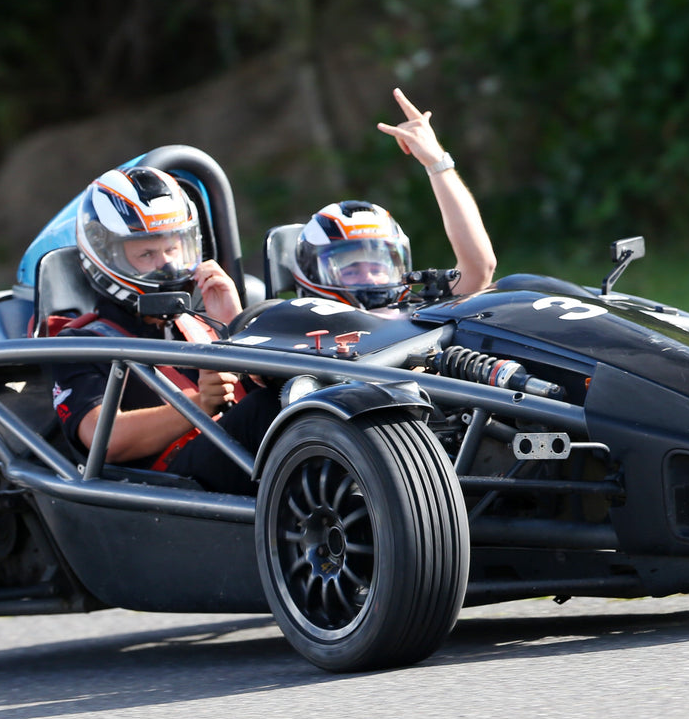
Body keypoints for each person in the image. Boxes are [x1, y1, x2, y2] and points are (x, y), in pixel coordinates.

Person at [49, 164, 277, 496]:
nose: (166, 264)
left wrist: (234, 324)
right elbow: (105, 439)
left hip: (229, 463)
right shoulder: (79, 344)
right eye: (146, 253)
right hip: (161, 487)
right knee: (267, 410)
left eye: (173, 249)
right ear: (105, 255)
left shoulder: (201, 323)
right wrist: (199, 405)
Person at [293, 88, 496, 311]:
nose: (370, 278)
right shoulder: (288, 336)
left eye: (379, 268)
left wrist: (437, 164)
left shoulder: (417, 316)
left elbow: (479, 268)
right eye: (351, 270)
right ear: (313, 273)